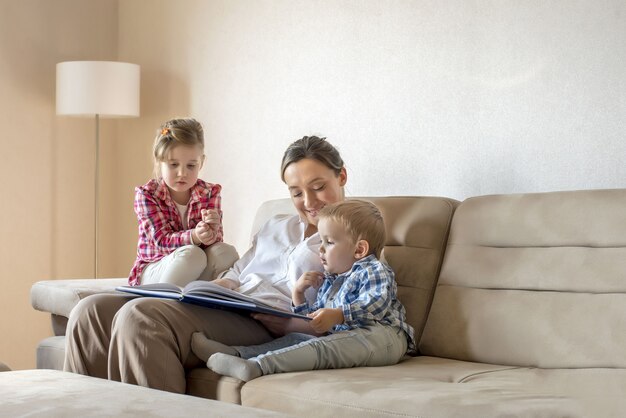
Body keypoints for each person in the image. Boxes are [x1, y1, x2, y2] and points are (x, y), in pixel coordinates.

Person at [64, 135, 348, 394]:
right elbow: (239, 270)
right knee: (90, 311)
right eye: (296, 193)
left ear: (342, 176)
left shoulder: (356, 237)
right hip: (230, 304)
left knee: (141, 316)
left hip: (265, 325)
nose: (308, 201)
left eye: (319, 187)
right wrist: (215, 288)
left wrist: (290, 324)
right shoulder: (276, 225)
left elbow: (353, 313)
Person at [192, 200, 416, 381]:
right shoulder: (331, 280)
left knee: (323, 347)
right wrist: (297, 295)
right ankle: (236, 354)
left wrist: (339, 315)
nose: (320, 249)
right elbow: (314, 322)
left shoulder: (373, 269)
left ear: (359, 249)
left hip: (385, 337)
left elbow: (375, 304)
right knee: (299, 338)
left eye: (328, 242)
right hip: (343, 336)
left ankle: (257, 366)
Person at [129, 117, 223, 287]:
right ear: (160, 161)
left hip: (192, 265)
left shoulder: (210, 192)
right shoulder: (147, 194)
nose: (182, 173)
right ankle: (162, 303)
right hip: (154, 268)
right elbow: (161, 241)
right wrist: (194, 236)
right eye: (173, 165)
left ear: (201, 163)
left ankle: (200, 298)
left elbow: (215, 243)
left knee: (224, 253)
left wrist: (211, 233)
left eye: (191, 166)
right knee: (193, 254)